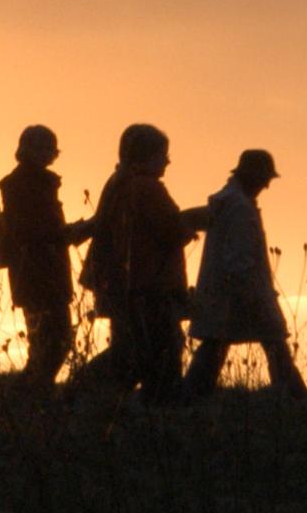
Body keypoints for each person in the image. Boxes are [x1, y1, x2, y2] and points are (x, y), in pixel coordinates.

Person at [74, 123, 197, 404]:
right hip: (150, 285)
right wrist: (192, 226)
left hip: (121, 285)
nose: (167, 161)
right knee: (161, 350)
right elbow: (171, 231)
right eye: (162, 154)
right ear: (146, 156)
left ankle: (88, 397)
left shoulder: (117, 183)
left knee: (130, 349)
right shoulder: (148, 188)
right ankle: (154, 408)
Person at [183, 149, 307, 400]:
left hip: (229, 292)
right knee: (271, 341)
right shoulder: (239, 208)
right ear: (253, 176)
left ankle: (189, 398)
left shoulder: (230, 204)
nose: (267, 186)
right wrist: (253, 295)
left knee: (217, 343)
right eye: (265, 179)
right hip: (241, 291)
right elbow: (238, 259)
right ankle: (296, 398)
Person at [0, 124, 89, 388]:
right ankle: (34, 394)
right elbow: (40, 232)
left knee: (45, 343)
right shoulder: (31, 185)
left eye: (53, 150)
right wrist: (78, 231)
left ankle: (31, 394)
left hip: (34, 274)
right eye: (47, 148)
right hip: (42, 274)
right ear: (30, 150)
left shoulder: (26, 184)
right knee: (55, 341)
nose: (51, 155)